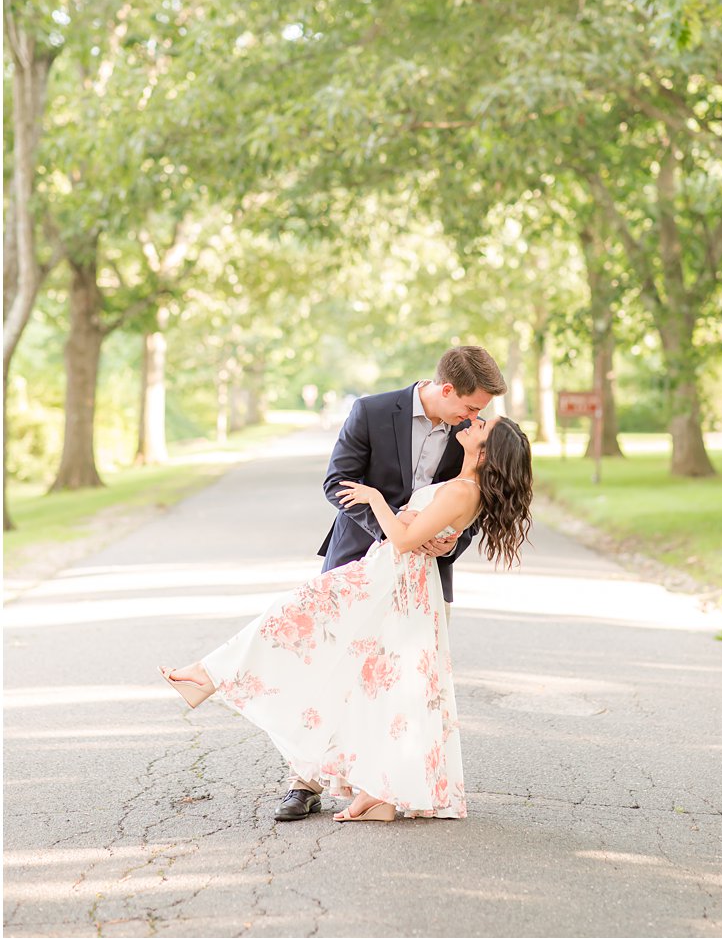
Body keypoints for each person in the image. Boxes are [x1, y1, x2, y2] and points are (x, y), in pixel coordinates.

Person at [159, 413, 533, 822]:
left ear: (485, 452)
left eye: (484, 427)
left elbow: (405, 540)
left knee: (289, 618)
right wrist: (420, 525)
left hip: (385, 579)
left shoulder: (464, 488)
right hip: (392, 578)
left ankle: (208, 675)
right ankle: (379, 793)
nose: (475, 422)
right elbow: (422, 531)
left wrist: (376, 499)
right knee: (373, 683)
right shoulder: (462, 484)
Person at [260, 345, 506, 821]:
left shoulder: (470, 434)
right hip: (357, 563)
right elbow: (338, 482)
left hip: (426, 580)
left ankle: (385, 785)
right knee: (331, 674)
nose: (475, 416)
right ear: (447, 389)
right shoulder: (371, 411)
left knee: (404, 687)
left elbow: (476, 500)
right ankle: (304, 781)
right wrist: (393, 539)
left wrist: (448, 542)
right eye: (471, 406)